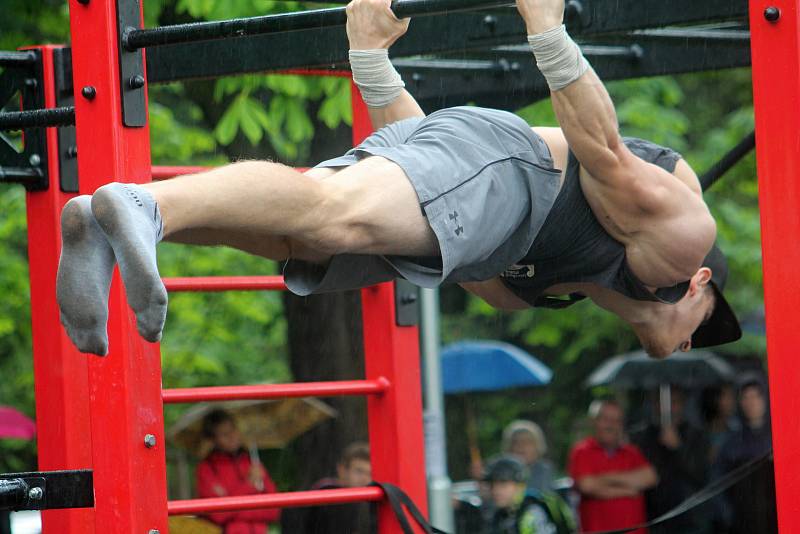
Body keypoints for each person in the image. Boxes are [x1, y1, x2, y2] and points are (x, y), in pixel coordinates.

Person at [56, 0, 742, 360]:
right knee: (333, 213)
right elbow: (604, 151)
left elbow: (428, 168)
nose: (689, 345)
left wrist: (371, 61)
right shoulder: (681, 244)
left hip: (481, 179)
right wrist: (546, 28)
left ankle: (111, 224)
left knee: (303, 243)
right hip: (518, 168)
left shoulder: (551, 289)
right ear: (701, 286)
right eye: (703, 329)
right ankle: (145, 204)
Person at [568, 399, 657, 534]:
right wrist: (628, 491)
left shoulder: (631, 452)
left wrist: (604, 480)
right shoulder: (582, 451)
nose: (611, 425)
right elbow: (587, 486)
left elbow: (650, 478)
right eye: (606, 419)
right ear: (593, 421)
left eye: (617, 420)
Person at [631, 387, 711, 533]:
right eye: (662, 403)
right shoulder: (642, 436)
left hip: (690, 518)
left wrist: (678, 448)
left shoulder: (696, 435)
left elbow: (701, 475)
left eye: (674, 402)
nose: (668, 408)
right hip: (655, 519)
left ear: (682, 404)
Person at [195, 410, 280, 534]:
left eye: (233, 430)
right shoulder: (207, 469)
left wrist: (232, 508)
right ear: (213, 440)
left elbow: (274, 511)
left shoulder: (253, 463)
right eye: (224, 434)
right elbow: (217, 515)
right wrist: (249, 486)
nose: (232, 437)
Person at [713, 376, 776, 534]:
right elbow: (718, 482)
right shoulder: (731, 443)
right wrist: (728, 516)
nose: (751, 402)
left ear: (765, 399)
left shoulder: (779, 439)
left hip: (775, 523)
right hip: (742, 524)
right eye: (746, 397)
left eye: (756, 396)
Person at [483, 455, 575, 534]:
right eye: (492, 485)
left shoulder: (532, 513)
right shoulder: (502, 514)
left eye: (503, 484)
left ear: (520, 486)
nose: (496, 491)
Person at [301, 442, 376, 534]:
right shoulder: (326, 494)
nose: (365, 479)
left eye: (370, 474)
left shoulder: (372, 500)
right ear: (342, 470)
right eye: (359, 471)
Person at [502, 420, 555, 493]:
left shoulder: (543, 470)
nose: (521, 446)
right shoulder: (501, 469)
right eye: (516, 442)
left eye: (527, 442)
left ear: (537, 447)